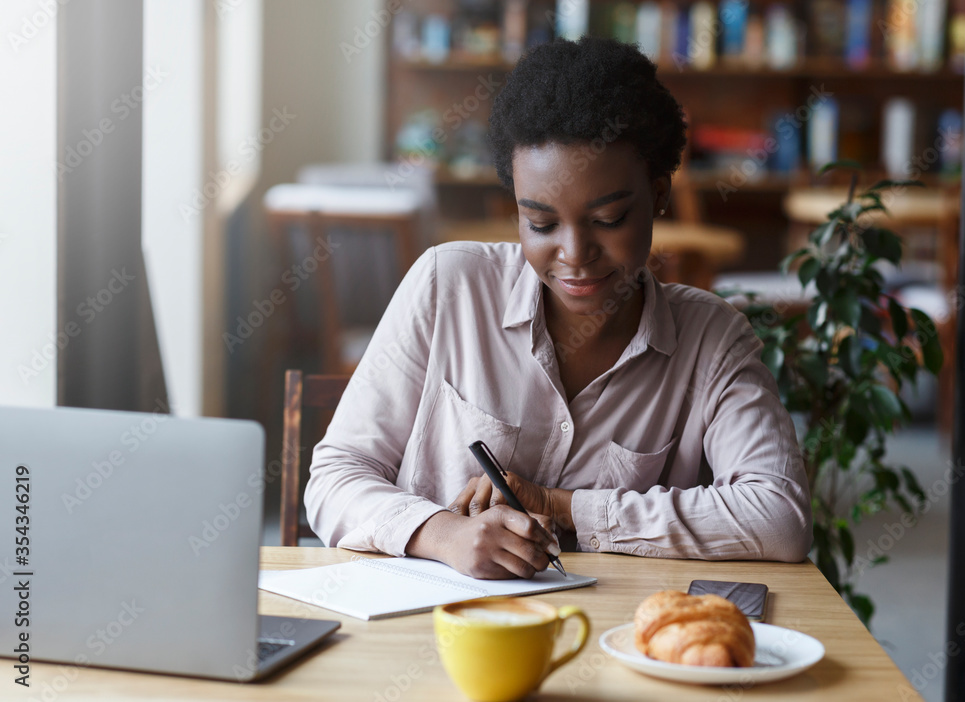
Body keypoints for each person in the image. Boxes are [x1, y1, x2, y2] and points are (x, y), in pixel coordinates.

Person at [304, 37, 811, 579]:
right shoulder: (448, 286)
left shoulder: (712, 339)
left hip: (610, 641)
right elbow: (336, 476)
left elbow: (779, 516)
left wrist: (565, 506)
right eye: (541, 224)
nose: (574, 255)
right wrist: (443, 533)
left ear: (659, 194)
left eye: (609, 219)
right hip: (437, 635)